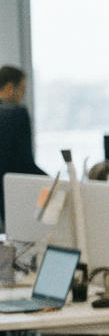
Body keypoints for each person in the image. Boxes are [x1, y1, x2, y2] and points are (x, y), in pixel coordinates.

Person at [0, 65, 47, 225]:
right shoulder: (16, 113)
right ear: (9, 87)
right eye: (22, 89)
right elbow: (25, 163)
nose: (22, 95)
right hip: (12, 195)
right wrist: (53, 183)